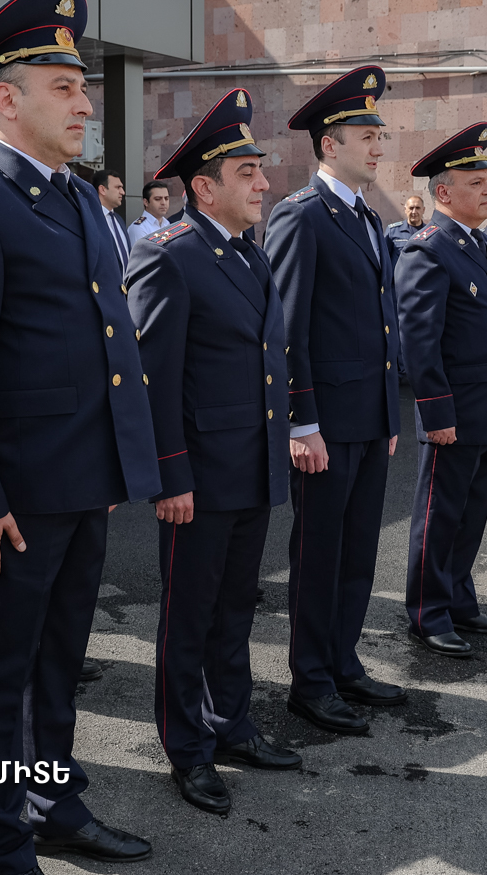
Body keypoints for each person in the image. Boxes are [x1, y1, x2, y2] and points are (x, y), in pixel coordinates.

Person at [0, 0, 159, 868]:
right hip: (15, 492)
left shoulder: (76, 198)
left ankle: (54, 799)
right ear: (8, 100)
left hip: (81, 476)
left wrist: (121, 462)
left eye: (83, 86)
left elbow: (104, 336)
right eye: (64, 87)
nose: (85, 103)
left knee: (60, 658)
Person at [126, 87, 299, 816]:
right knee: (188, 617)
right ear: (204, 187)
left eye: (261, 171)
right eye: (247, 173)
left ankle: (231, 722)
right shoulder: (169, 255)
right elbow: (153, 379)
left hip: (250, 467)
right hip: (199, 475)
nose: (263, 184)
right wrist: (170, 475)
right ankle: (187, 746)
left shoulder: (249, 254)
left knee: (236, 607)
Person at [266, 64, 405, 737]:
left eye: (379, 135)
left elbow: (380, 327)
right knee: (319, 554)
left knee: (357, 552)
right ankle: (311, 681)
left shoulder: (368, 217)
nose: (378, 146)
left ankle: (343, 661)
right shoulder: (301, 216)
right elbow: (287, 328)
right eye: (365, 135)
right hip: (324, 424)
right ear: (330, 144)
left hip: (366, 418)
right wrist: (301, 422)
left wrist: (388, 413)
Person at [395, 123, 487, 658]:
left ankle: (459, 598)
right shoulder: (428, 249)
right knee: (440, 513)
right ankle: (428, 611)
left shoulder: (481, 241)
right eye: (477, 182)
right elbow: (419, 340)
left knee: (472, 511)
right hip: (455, 409)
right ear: (443, 193)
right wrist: (435, 411)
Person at [94, 167, 132, 271]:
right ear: (102, 190)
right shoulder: (92, 219)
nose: (122, 192)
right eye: (118, 187)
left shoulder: (119, 220)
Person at [384, 192, 426, 269]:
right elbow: (384, 258)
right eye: (411, 208)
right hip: (399, 276)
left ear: (423, 210)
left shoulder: (429, 232)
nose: (414, 212)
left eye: (417, 208)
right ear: (405, 210)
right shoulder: (393, 231)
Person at [127, 178, 174, 245]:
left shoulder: (167, 223)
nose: (163, 203)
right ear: (146, 202)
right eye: (158, 199)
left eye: (166, 198)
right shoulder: (139, 228)